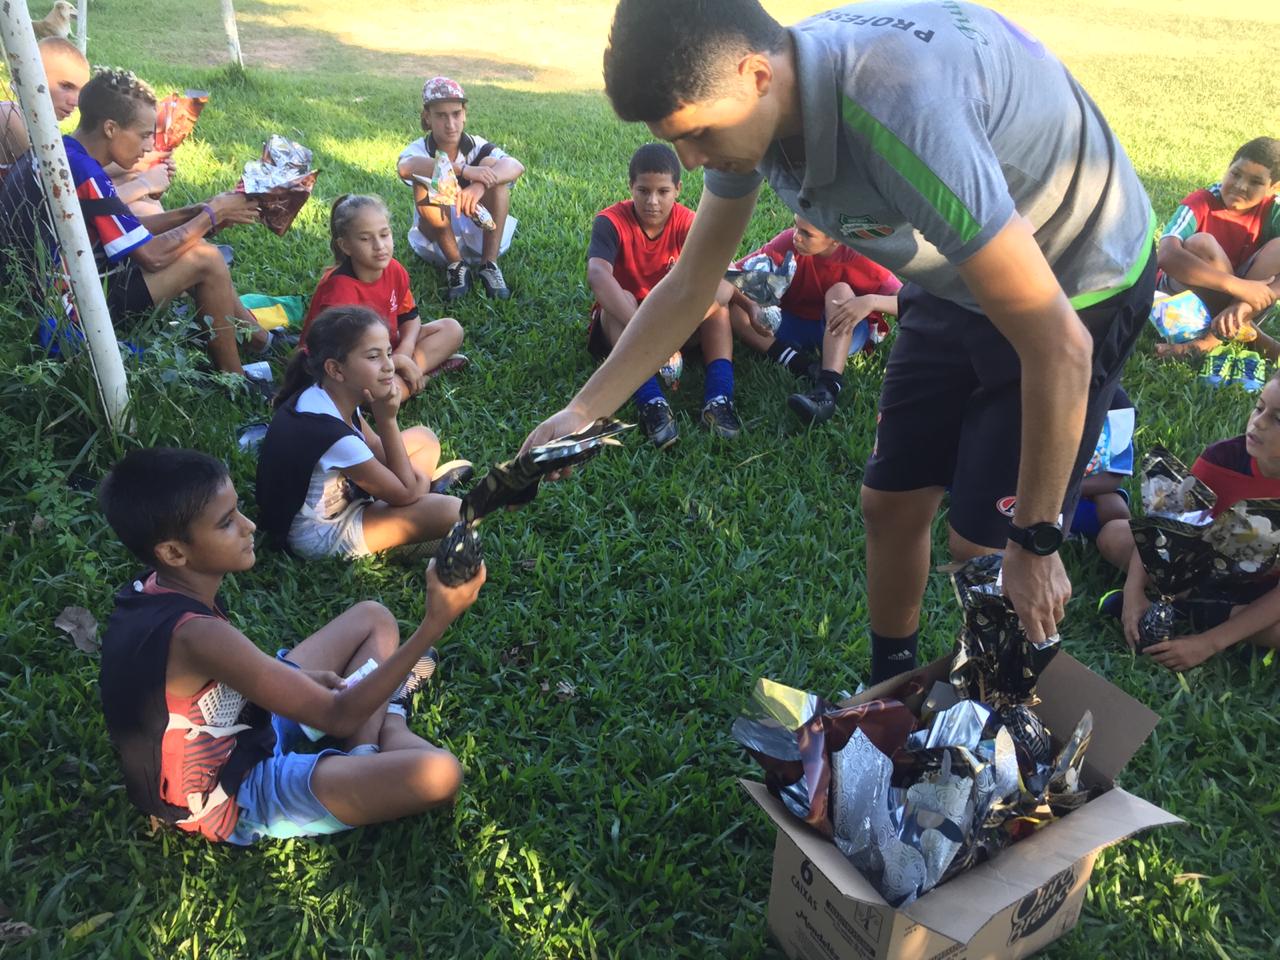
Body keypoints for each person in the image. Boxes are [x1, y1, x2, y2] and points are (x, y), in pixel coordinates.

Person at [522, 0, 1156, 685]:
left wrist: (1036, 539)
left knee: (985, 545)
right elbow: (689, 285)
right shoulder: (751, 106)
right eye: (676, 140)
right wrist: (582, 413)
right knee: (890, 503)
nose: (692, 159)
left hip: (1074, 277)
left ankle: (998, 723)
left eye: (697, 134)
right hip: (956, 274)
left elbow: (1059, 343)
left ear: (754, 75)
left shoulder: (898, 113)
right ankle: (890, 688)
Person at [97, 446, 483, 844]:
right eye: (226, 522)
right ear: (174, 552)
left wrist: (303, 679)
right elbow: (338, 716)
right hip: (235, 791)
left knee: (374, 618)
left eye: (238, 511)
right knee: (441, 773)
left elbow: (220, 678)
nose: (248, 526)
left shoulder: (154, 588)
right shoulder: (195, 635)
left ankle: (365, 750)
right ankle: (390, 715)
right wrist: (435, 622)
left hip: (244, 723)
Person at [0, 68, 268, 376]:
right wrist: (213, 215)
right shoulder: (84, 172)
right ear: (111, 128)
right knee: (205, 258)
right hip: (67, 309)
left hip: (45, 288)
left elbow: (126, 227)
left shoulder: (64, 153)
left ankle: (256, 340)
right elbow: (151, 257)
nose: (150, 147)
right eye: (143, 135)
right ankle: (234, 378)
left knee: (194, 242)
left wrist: (200, 211)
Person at [256, 306, 471, 561]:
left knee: (425, 439)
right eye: (373, 357)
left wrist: (408, 487)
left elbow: (378, 450)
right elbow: (406, 495)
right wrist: (387, 420)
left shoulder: (328, 392)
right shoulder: (331, 434)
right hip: (322, 533)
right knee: (453, 511)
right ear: (336, 369)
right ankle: (404, 534)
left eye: (388, 353)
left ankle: (420, 495)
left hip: (355, 493)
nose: (389, 366)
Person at [1106, 373, 1280, 671]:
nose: (1258, 422)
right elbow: (1169, 522)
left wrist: (1208, 643)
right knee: (1114, 535)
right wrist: (1133, 593)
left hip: (1262, 590)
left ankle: (1189, 612)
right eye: (1259, 407)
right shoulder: (1223, 457)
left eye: (1278, 418)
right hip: (1201, 569)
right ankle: (1190, 605)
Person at [587, 143, 741, 445]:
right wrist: (648, 332)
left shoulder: (688, 221)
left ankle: (719, 398)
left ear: (678, 189)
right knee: (618, 303)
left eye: (663, 192)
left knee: (719, 309)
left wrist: (675, 330)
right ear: (631, 186)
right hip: (628, 324)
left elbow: (729, 277)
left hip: (677, 321)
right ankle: (652, 402)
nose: (652, 201)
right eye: (643, 191)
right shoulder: (611, 221)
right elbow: (598, 275)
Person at [729, 214, 901, 424]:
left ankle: (827, 390)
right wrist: (751, 306)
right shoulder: (788, 243)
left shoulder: (860, 256)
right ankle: (803, 365)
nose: (796, 237)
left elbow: (908, 302)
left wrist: (871, 302)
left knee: (840, 291)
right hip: (792, 323)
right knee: (736, 308)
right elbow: (733, 276)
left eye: (806, 234)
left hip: (843, 331)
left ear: (836, 239)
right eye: (795, 226)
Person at [302, 194, 467, 399]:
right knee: (388, 394)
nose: (379, 245)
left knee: (452, 328)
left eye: (384, 234)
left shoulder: (394, 269)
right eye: (365, 238)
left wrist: (403, 352)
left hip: (385, 351)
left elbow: (410, 317)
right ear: (345, 246)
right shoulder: (339, 291)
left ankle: (409, 374)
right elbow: (340, 361)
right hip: (350, 368)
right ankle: (421, 376)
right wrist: (395, 362)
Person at [396, 77, 524, 301]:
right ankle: (456, 265)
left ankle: (489, 264)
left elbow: (515, 166)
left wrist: (480, 184)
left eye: (456, 114)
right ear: (427, 116)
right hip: (437, 236)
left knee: (493, 170)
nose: (450, 124)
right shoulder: (419, 148)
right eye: (441, 115)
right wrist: (463, 170)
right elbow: (405, 168)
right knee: (425, 177)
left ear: (464, 114)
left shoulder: (476, 145)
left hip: (482, 228)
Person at [1155, 137, 1280, 358]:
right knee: (1202, 242)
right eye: (1236, 174)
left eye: (1256, 182)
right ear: (1227, 169)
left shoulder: (1273, 212)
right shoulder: (1201, 202)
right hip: (1182, 301)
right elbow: (1165, 255)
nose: (1241, 186)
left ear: (1274, 188)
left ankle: (1209, 340)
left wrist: (1250, 300)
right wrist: (1238, 286)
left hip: (1243, 304)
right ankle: (1254, 335)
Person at [0, 38, 89, 184]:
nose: (75, 102)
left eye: (81, 92)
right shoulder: (14, 120)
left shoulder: (29, 121)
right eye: (66, 86)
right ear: (34, 77)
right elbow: (62, 178)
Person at [1072, 386, 1137, 571]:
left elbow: (1113, 478)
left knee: (1114, 505)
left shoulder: (1117, 409)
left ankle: (1110, 548)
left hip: (1083, 496)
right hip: (1030, 494)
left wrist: (1064, 490)